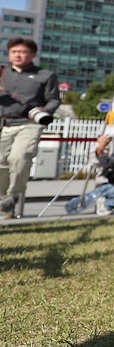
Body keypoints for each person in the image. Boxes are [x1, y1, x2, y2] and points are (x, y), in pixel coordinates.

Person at [0, 37, 60, 219]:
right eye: (14, 51)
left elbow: (54, 99)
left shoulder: (46, 75)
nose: (17, 55)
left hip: (29, 123)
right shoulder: (2, 72)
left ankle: (14, 194)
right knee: (1, 163)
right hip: (4, 123)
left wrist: (45, 110)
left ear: (33, 54)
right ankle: (5, 204)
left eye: (22, 51)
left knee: (20, 157)